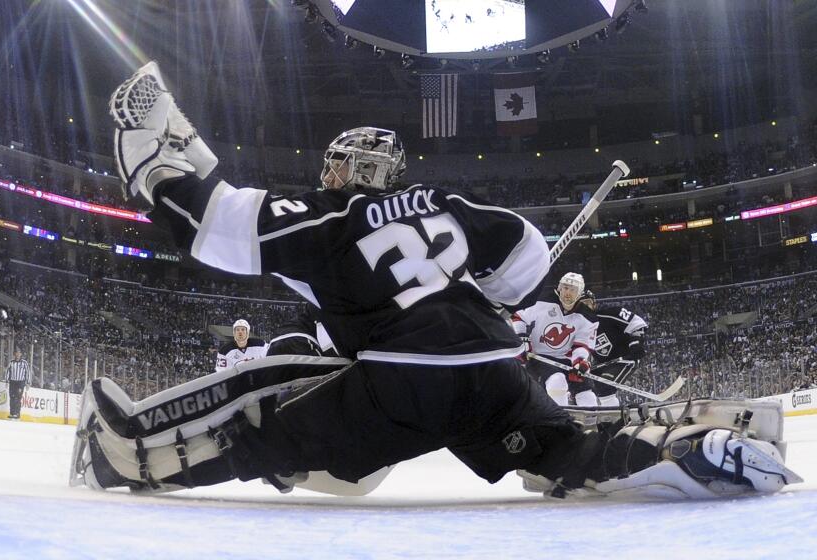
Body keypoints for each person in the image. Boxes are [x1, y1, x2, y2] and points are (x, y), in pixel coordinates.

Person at [70, 62, 796, 500]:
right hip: (494, 372)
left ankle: (123, 457)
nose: (325, 176)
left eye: (334, 167)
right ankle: (677, 459)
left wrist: (157, 157)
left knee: (268, 415)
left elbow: (217, 225)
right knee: (560, 453)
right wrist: (496, 305)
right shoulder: (445, 205)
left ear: (354, 171)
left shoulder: (329, 216)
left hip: (400, 384)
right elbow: (527, 252)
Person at [511, 273, 599, 407]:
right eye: (565, 288)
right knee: (557, 380)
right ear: (559, 288)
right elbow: (518, 315)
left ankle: (592, 423)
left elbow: (582, 345)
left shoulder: (587, 317)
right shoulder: (541, 301)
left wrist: (580, 361)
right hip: (539, 358)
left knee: (586, 391)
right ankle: (561, 416)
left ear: (579, 293)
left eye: (573, 289)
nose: (567, 293)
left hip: (567, 360)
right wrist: (522, 337)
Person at [576, 290, 648, 407]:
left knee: (605, 385)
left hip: (624, 359)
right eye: (581, 304)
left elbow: (637, 323)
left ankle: (612, 419)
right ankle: (598, 417)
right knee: (580, 385)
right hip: (602, 364)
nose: (585, 307)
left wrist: (636, 343)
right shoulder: (578, 327)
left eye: (587, 303)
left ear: (594, 304)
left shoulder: (610, 314)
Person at [5, 349, 31, 419]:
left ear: (21, 354)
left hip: (20, 382)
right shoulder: (11, 362)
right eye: (16, 352)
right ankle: (12, 413)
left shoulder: (24, 363)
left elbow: (27, 372)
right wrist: (7, 381)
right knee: (12, 397)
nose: (17, 354)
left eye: (19, 353)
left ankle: (17, 413)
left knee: (18, 397)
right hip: (12, 382)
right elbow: (8, 371)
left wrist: (28, 382)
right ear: (14, 354)